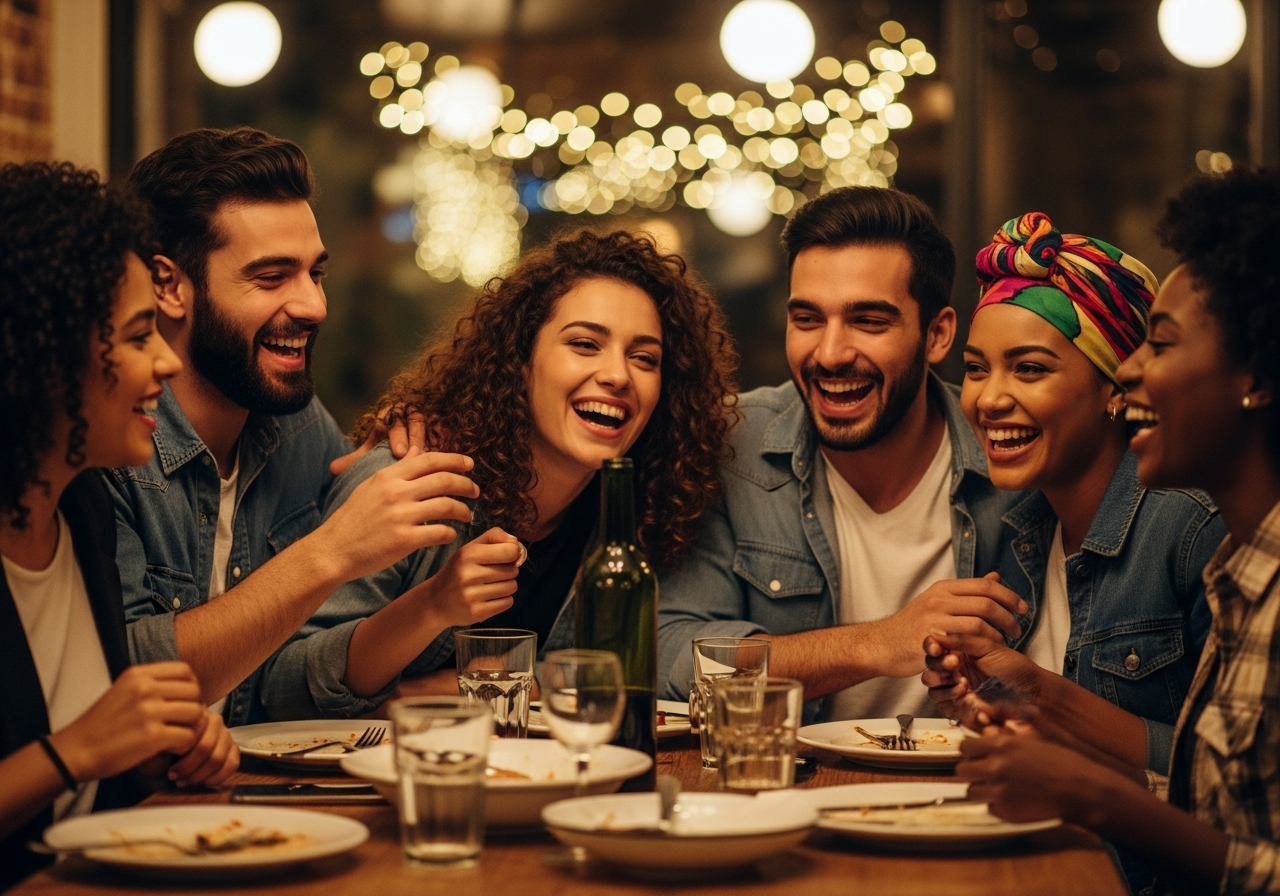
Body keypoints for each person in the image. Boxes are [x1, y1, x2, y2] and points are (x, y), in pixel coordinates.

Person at [939, 168, 1280, 896]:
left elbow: (1206, 817)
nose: (1132, 373)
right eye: (973, 369)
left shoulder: (1202, 533)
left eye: (1157, 347)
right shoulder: (1018, 526)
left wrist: (1082, 776)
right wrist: (1014, 698)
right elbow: (1209, 784)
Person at [260, 229, 737, 718]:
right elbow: (282, 690)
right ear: (521, 363)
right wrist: (434, 609)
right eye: (585, 344)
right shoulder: (414, 481)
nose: (618, 375)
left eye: (644, 358)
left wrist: (466, 685)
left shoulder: (631, 519)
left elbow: (589, 680)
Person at [106, 127, 479, 726]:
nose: (313, 306)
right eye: (272, 276)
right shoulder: (109, 448)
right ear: (169, 286)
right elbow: (123, 680)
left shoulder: (300, 428)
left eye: (315, 273)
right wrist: (332, 549)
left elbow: (296, 672)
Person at [656, 186, 1029, 721]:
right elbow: (671, 652)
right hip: (784, 790)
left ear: (938, 334)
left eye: (868, 322)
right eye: (807, 319)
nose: (830, 353)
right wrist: (875, 644)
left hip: (966, 791)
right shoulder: (730, 440)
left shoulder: (1011, 455)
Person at [0, 163, 238, 889]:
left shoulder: (85, 508)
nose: (167, 361)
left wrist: (151, 749)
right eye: (139, 337)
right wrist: (80, 748)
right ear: (46, 358)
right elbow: (67, 756)